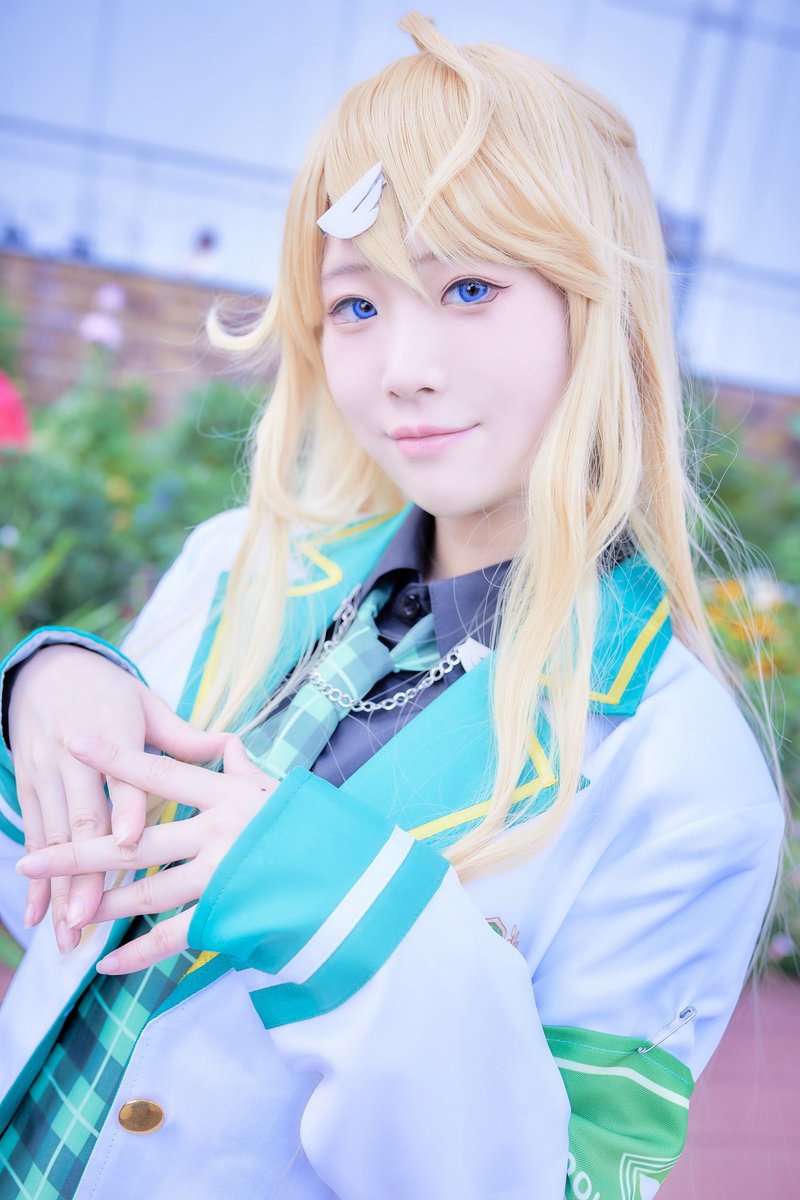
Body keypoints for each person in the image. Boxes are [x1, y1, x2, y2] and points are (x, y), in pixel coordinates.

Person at [0, 13, 785, 1200]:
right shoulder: (233, 566)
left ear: (601, 308)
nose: (401, 367)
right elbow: (54, 920)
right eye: (357, 306)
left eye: (468, 286)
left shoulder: (687, 780)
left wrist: (343, 908)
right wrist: (48, 689)